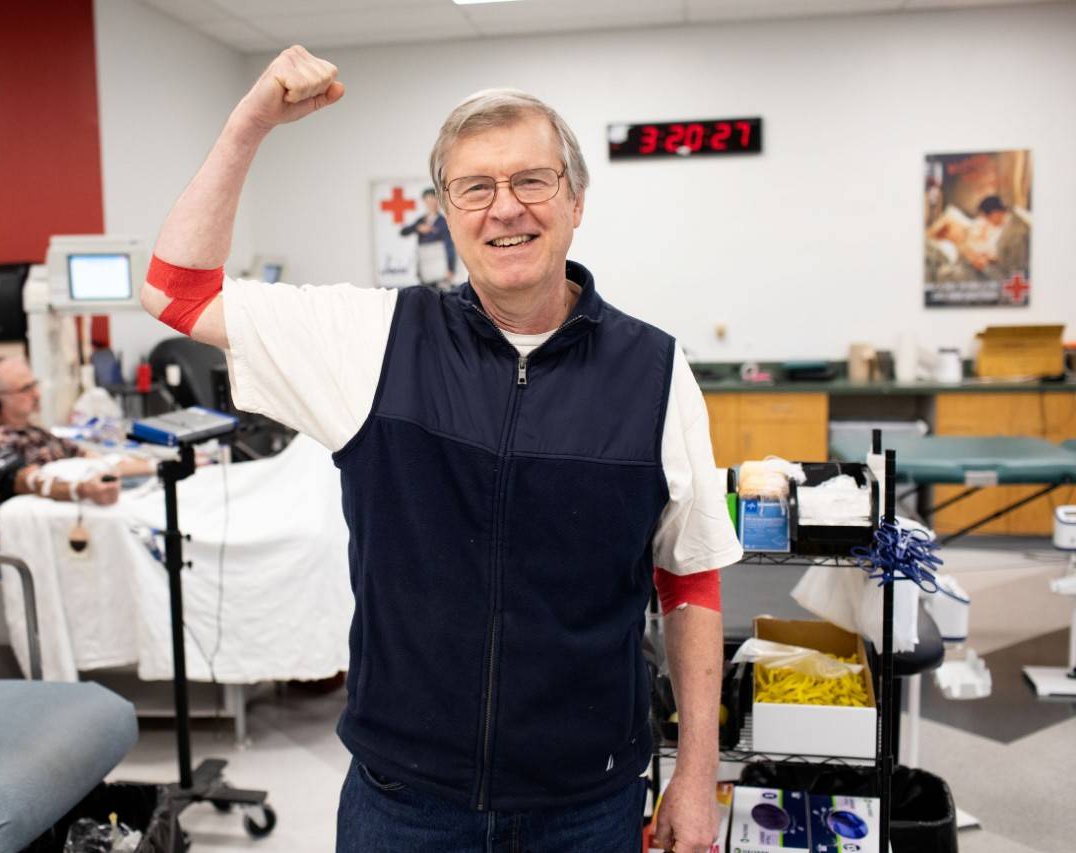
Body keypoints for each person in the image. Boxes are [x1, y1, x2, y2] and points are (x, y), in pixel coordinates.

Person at [141, 46, 741, 853]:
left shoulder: (655, 371)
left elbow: (689, 571)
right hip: (405, 804)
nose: (506, 208)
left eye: (532, 180)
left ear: (576, 201)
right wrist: (252, 121)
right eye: (476, 187)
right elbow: (177, 288)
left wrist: (696, 777)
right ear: (446, 211)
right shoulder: (372, 341)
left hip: (588, 803)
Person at [0, 355, 154, 510]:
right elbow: (29, 481)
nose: (37, 394)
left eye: (34, 385)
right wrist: (83, 489)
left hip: (74, 501)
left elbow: (92, 460)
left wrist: (156, 467)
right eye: (25, 389)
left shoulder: (36, 432)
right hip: (40, 516)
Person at [399, 187, 456, 290]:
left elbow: (449, 246)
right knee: (425, 293)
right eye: (427, 200)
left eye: (433, 199)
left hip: (440, 263)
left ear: (438, 201)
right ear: (424, 201)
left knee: (440, 293)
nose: (430, 203)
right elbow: (403, 232)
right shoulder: (421, 220)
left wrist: (450, 268)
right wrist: (418, 228)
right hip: (424, 264)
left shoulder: (443, 221)